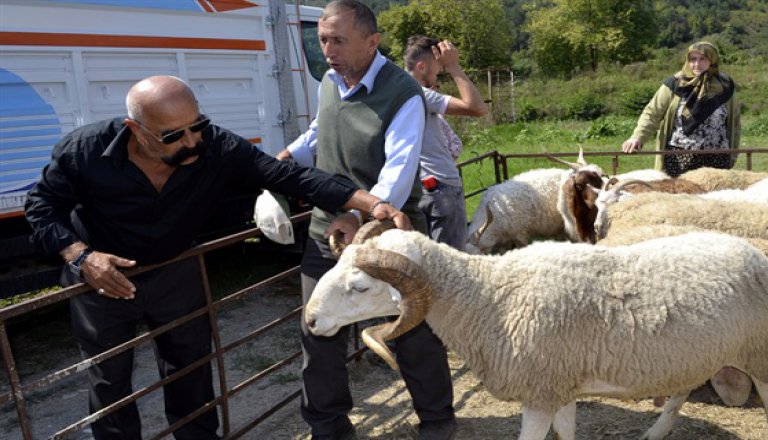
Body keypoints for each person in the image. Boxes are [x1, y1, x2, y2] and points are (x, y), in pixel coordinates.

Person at [24, 75, 410, 440]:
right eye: (173, 135)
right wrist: (80, 256)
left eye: (198, 125)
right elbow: (40, 206)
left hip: (176, 268)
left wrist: (372, 204)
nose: (192, 141)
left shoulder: (216, 145)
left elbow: (289, 177)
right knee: (109, 381)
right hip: (102, 277)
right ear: (135, 129)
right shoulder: (84, 150)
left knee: (190, 369)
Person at [274, 2, 457, 439]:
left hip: (389, 234)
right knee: (317, 328)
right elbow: (321, 131)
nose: (327, 51)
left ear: (372, 42)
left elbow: (398, 169)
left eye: (338, 41)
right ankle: (329, 427)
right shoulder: (330, 84)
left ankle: (436, 420)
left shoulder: (402, 93)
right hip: (327, 229)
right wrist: (284, 159)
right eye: (322, 40)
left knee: (413, 328)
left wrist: (360, 214)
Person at [403, 35, 488, 250]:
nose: (439, 73)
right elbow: (477, 107)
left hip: (416, 188)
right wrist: (453, 65)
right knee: (451, 261)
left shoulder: (395, 91)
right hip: (440, 186)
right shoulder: (419, 94)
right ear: (421, 66)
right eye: (437, 68)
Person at [621, 42, 741, 177]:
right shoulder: (675, 83)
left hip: (717, 157)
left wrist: (733, 154)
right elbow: (652, 113)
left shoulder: (725, 86)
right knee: (679, 196)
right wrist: (637, 137)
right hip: (680, 156)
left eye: (703, 59)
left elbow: (734, 123)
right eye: (693, 59)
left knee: (715, 197)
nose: (697, 64)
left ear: (712, 60)